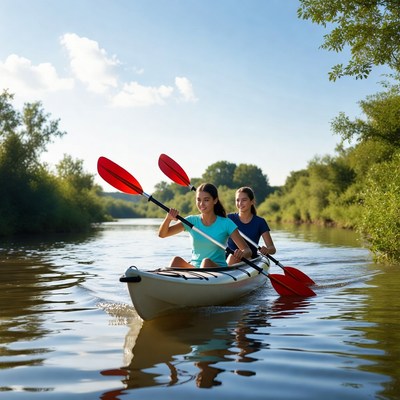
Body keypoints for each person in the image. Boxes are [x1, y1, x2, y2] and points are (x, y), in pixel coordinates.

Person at [158, 183, 252, 268]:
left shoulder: (226, 223)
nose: (201, 204)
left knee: (206, 262)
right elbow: (162, 234)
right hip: (195, 269)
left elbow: (248, 251)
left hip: (218, 270)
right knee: (176, 260)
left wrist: (241, 254)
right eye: (198, 200)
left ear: (215, 200)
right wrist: (168, 219)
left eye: (206, 200)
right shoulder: (191, 221)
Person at [227, 186, 276, 266]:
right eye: (237, 200)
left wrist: (267, 250)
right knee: (232, 257)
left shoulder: (260, 222)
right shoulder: (229, 219)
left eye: (244, 200)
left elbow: (272, 249)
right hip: (229, 259)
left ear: (252, 201)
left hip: (250, 260)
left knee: (234, 257)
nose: (240, 203)